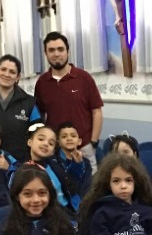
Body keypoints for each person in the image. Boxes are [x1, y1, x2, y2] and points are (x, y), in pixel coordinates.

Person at [34, 32, 104, 172]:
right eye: (51, 50)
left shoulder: (84, 78)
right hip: (54, 150)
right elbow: (40, 115)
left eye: (60, 49)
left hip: (83, 147)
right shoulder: (42, 82)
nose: (56, 54)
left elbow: (96, 112)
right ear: (46, 53)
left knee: (89, 185)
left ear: (68, 52)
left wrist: (93, 142)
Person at [0, 54, 40, 162]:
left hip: (20, 162)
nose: (7, 74)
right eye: (3, 69)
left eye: (12, 72)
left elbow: (38, 133)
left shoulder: (29, 103)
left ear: (18, 77)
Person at [10, 124, 82, 218]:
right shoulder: (20, 170)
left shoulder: (56, 166)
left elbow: (72, 185)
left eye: (51, 143)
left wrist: (77, 164)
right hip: (43, 217)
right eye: (41, 139)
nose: (45, 144)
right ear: (30, 142)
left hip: (67, 214)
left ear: (53, 151)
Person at [57, 122, 92, 207]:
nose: (69, 139)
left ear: (79, 141)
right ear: (58, 142)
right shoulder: (54, 161)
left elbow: (86, 187)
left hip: (80, 206)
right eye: (64, 136)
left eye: (73, 136)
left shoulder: (86, 163)